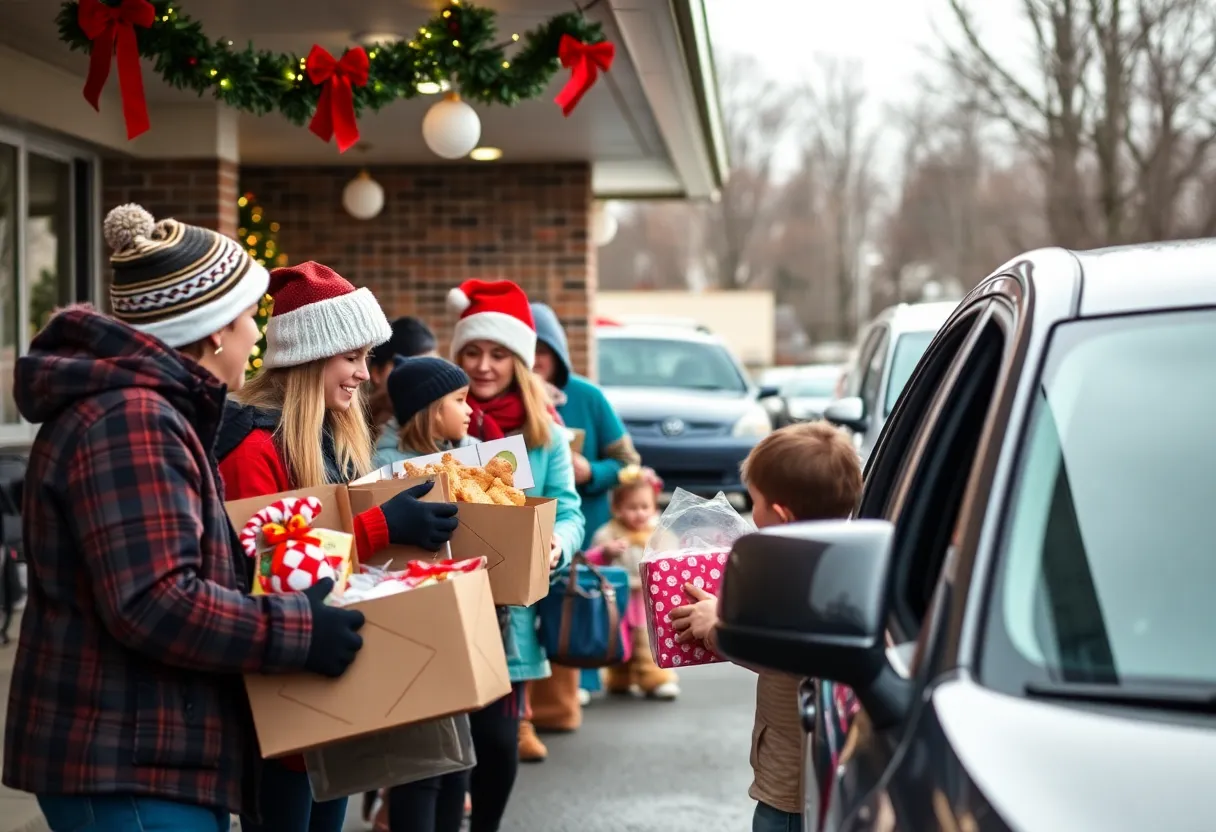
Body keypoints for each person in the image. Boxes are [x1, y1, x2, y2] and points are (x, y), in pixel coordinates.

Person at [2, 204, 366, 830]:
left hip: (142, 751)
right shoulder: (132, 421)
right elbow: (154, 600)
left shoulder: (145, 411)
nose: (257, 336)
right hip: (124, 757)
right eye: (250, 317)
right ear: (215, 329)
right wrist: (297, 632)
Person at [216, 261, 459, 832]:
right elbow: (265, 567)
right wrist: (379, 528)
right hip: (282, 694)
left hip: (331, 681)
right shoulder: (252, 448)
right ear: (307, 358)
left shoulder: (329, 434)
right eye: (351, 358)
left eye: (366, 358)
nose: (364, 376)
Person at [669, 422, 863, 832]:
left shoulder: (801, 575)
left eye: (753, 501)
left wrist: (716, 627)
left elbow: (784, 651)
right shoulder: (836, 560)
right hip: (801, 762)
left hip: (795, 779)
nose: (750, 514)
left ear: (780, 513)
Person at [449, 278, 584, 825]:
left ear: (520, 361)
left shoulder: (544, 434)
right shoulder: (438, 419)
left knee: (500, 744)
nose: (484, 366)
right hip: (445, 603)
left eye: (498, 354)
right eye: (473, 353)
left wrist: (557, 542)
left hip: (512, 614)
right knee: (447, 753)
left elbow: (569, 511)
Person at [362, 356, 475, 832]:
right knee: (423, 767)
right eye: (459, 401)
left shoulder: (468, 456)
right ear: (430, 409)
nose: (470, 411)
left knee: (456, 766)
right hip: (410, 623)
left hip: (455, 621)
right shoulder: (386, 467)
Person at [529, 302, 644, 715]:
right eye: (525, 350)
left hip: (587, 530)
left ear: (558, 353)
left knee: (581, 611)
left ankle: (579, 683)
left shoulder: (588, 397)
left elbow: (632, 465)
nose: (534, 361)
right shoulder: (511, 402)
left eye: (542, 351)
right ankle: (540, 698)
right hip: (529, 530)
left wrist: (591, 471)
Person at [584, 468, 681, 699]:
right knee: (620, 639)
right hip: (619, 597)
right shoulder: (609, 533)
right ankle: (620, 677)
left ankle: (657, 679)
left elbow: (672, 560)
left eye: (644, 507)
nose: (639, 513)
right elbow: (591, 560)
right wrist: (605, 551)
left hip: (648, 598)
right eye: (632, 507)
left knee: (647, 641)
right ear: (616, 508)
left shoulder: (658, 534)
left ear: (654, 508)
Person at [367, 316, 440, 445]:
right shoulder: (349, 429)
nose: (423, 378)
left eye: (430, 366)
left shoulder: (445, 424)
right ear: (377, 372)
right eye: (409, 367)